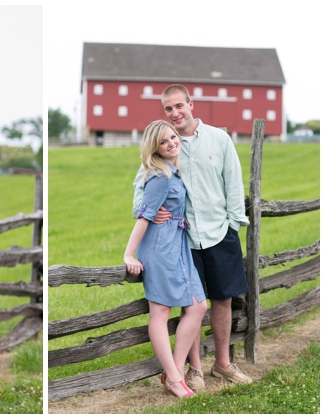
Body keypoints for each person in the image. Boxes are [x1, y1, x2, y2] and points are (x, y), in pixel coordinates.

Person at [133, 84, 253, 389]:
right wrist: (147, 211)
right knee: (192, 304)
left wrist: (233, 225)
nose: (175, 113)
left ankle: (223, 364)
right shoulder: (165, 144)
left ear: (191, 104)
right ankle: (194, 369)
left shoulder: (218, 138)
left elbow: (234, 183)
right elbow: (141, 186)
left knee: (223, 300)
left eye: (179, 106)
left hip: (219, 231)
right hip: (183, 240)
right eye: (168, 109)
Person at [124, 120, 207, 398]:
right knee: (160, 313)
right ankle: (173, 377)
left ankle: (176, 369)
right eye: (163, 141)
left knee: (197, 306)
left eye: (173, 137)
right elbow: (144, 216)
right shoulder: (160, 176)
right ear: (154, 148)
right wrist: (128, 253)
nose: (171, 143)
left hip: (177, 244)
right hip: (160, 247)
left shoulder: (174, 170)